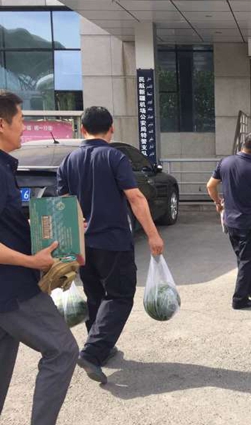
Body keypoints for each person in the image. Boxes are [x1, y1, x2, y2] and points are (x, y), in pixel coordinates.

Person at [57, 106, 164, 385]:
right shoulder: (114, 157)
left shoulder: (68, 161)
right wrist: (153, 235)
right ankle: (92, 352)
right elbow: (136, 198)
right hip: (113, 241)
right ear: (111, 129)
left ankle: (100, 349)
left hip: (83, 244)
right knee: (120, 296)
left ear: (82, 129)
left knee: (95, 295)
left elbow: (63, 205)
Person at [0, 91, 79, 425]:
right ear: (1, 124)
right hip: (12, 290)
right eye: (20, 120)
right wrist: (32, 262)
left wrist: (61, 229)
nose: (24, 127)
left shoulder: (5, 167)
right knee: (62, 350)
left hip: (9, 290)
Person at [207, 133, 251, 310]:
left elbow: (210, 185)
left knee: (242, 257)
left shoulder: (225, 162)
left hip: (230, 221)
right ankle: (240, 298)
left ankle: (249, 287)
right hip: (250, 223)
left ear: (243, 145)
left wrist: (218, 202)